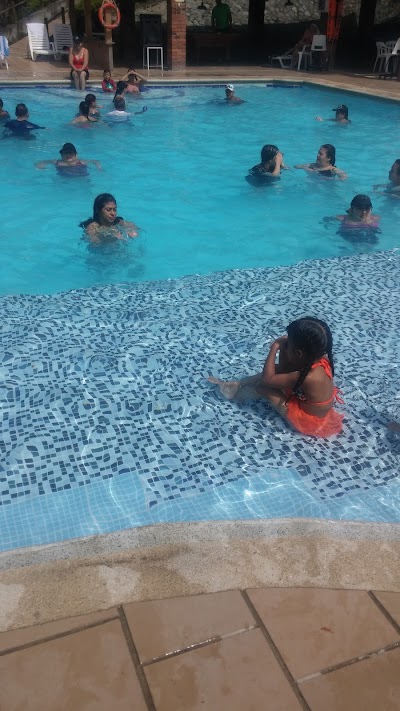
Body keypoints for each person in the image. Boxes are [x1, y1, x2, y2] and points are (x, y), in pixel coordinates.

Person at [208, 317, 343, 438]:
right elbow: (282, 369)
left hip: (308, 421)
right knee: (276, 369)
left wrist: (274, 348)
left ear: (299, 353)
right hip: (311, 406)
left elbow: (267, 380)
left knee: (263, 388)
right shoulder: (320, 358)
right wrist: (286, 347)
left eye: (288, 344)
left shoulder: (308, 377)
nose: (285, 343)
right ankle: (238, 384)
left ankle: (234, 396)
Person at [35, 142, 102, 177]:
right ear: (61, 155)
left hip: (81, 178)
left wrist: (99, 168)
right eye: (65, 153)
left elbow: (96, 161)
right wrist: (41, 168)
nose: (68, 155)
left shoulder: (81, 162)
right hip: (64, 180)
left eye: (71, 153)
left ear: (76, 155)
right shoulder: (57, 162)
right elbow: (40, 162)